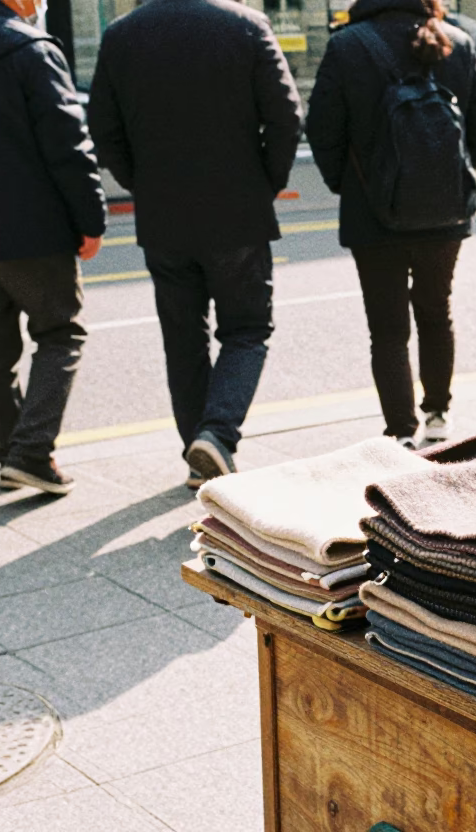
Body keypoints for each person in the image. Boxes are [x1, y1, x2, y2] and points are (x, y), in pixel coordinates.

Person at [87, 0, 303, 487]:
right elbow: (287, 115)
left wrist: (142, 184)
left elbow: (104, 127)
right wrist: (264, 182)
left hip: (164, 214)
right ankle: (218, 436)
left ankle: (197, 455)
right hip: (237, 208)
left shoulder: (122, 35)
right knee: (247, 329)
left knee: (182, 339)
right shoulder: (246, 25)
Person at [306, 0, 476, 449]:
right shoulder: (460, 41)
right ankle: (438, 413)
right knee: (436, 311)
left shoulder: (347, 46)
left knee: (387, 327)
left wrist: (352, 185)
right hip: (444, 213)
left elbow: (321, 128)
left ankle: (400, 431)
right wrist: (449, 177)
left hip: (372, 214)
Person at [0, 0, 105, 495]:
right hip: (35, 229)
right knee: (61, 332)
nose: (40, 3)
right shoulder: (32, 50)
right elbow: (68, 145)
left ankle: (11, 454)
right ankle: (32, 453)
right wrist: (91, 220)